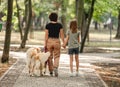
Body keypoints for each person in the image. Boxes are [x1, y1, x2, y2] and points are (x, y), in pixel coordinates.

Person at [44, 12, 64, 77]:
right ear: (56, 18)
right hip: (57, 41)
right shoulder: (60, 25)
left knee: (49, 57)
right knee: (57, 56)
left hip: (49, 41)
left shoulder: (47, 25)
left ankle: (51, 71)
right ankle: (55, 67)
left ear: (50, 18)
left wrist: (45, 44)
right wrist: (63, 42)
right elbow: (61, 35)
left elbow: (46, 35)